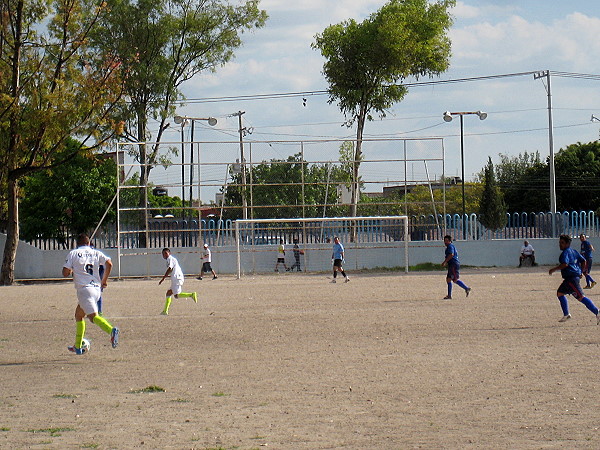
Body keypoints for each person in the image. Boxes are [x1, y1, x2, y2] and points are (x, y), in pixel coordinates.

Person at [62, 234, 119, 354]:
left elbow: (65, 273)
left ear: (77, 244)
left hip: (85, 290)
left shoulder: (74, 253)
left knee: (93, 317)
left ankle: (111, 331)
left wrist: (71, 269)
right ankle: (77, 346)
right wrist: (104, 280)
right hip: (96, 289)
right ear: (88, 243)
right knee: (79, 315)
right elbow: (109, 263)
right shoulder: (96, 252)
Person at [549, 234, 600, 324]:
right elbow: (583, 260)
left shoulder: (565, 253)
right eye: (560, 243)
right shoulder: (574, 251)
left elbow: (565, 264)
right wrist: (581, 271)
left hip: (571, 279)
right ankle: (566, 314)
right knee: (560, 293)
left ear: (567, 244)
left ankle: (597, 311)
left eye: (562, 243)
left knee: (581, 297)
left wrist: (554, 269)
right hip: (570, 279)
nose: (560, 245)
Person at [159, 248, 197, 315]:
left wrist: (163, 278)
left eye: (165, 253)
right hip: (176, 278)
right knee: (169, 293)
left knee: (176, 295)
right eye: (163, 254)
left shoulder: (170, 259)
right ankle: (165, 311)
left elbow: (170, 268)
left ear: (169, 253)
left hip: (177, 278)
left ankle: (191, 294)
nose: (164, 255)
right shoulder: (169, 259)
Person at [441, 235, 471, 299]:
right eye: (444, 241)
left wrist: (445, 262)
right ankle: (449, 295)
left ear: (450, 241)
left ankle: (466, 288)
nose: (445, 242)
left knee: (454, 279)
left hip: (453, 264)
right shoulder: (449, 246)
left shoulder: (450, 246)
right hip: (451, 264)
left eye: (447, 241)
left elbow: (451, 254)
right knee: (448, 279)